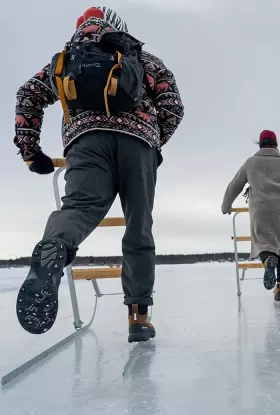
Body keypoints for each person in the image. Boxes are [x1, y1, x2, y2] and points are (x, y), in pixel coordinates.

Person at [14, 6, 184, 343]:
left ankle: (54, 247)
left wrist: (32, 154)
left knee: (79, 208)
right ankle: (139, 316)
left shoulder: (64, 60)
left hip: (86, 141)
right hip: (138, 144)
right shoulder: (139, 55)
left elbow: (27, 96)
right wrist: (153, 140)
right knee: (139, 225)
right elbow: (172, 106)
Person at [222, 130, 280, 302]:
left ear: (260, 144)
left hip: (260, 209)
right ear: (276, 144)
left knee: (261, 243)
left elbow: (235, 185)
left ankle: (267, 261)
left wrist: (226, 206)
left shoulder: (251, 162)